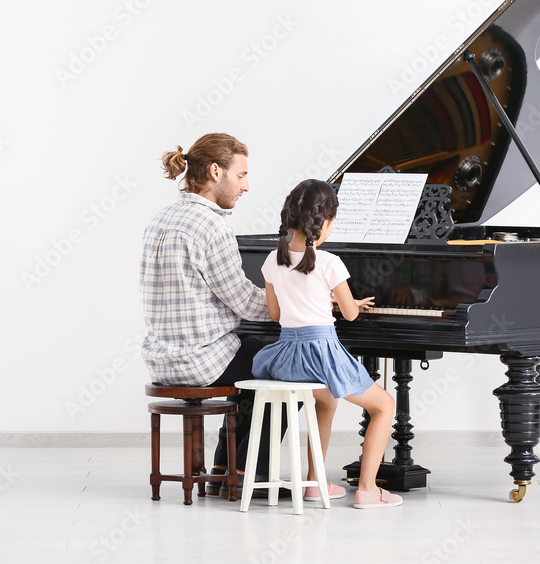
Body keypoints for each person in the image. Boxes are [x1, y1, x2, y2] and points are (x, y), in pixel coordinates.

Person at [139, 132, 289, 497]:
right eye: (241, 175)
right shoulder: (213, 225)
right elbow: (247, 302)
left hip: (161, 358)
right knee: (288, 366)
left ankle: (226, 469)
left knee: (254, 354)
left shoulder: (161, 219)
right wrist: (296, 302)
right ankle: (253, 478)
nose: (247, 186)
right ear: (215, 171)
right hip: (201, 361)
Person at [251, 179, 402, 508]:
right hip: (321, 353)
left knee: (326, 403)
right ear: (326, 222)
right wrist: (345, 302)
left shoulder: (271, 260)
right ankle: (367, 488)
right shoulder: (330, 263)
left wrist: (319, 303)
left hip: (288, 356)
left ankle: (314, 483)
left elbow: (277, 312)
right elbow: (349, 315)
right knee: (384, 405)